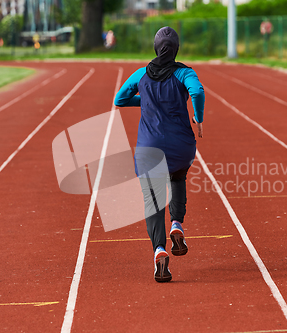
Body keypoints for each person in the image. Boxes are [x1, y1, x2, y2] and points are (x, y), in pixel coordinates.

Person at [115, 26, 205, 283]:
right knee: (177, 178)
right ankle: (177, 224)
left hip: (149, 148)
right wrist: (198, 119)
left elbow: (120, 100)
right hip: (180, 147)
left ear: (156, 48)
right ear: (176, 49)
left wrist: (145, 100)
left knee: (153, 200)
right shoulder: (184, 73)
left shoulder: (142, 74)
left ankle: (159, 250)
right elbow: (197, 92)